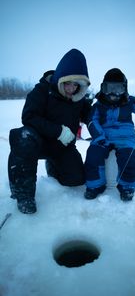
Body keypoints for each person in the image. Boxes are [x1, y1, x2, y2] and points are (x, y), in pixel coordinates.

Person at [8, 48, 91, 214]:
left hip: (63, 148)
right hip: (37, 143)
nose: (71, 89)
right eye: (68, 83)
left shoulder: (78, 99)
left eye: (76, 85)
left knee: (77, 179)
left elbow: (91, 115)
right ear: (61, 78)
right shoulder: (41, 91)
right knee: (23, 137)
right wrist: (58, 131)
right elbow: (29, 116)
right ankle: (23, 195)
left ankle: (53, 167)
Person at [84, 68, 135, 201]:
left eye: (118, 88)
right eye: (109, 88)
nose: (113, 93)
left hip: (125, 138)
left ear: (124, 88)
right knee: (93, 154)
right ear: (103, 88)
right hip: (103, 136)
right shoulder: (99, 105)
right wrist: (99, 136)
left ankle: (127, 186)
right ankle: (96, 185)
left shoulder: (129, 101)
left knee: (130, 158)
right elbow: (92, 120)